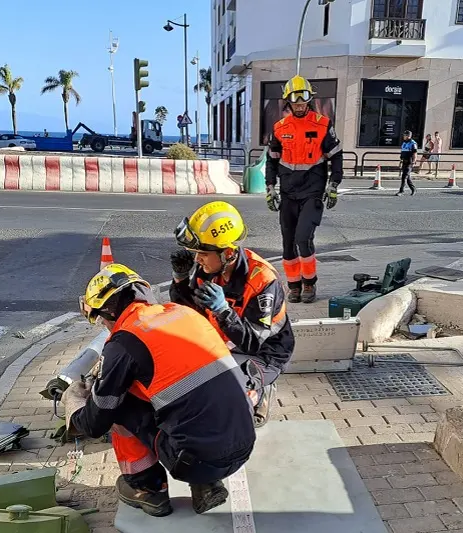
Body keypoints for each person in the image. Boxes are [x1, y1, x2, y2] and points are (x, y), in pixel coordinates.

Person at [62, 264, 256, 518]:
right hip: (244, 444)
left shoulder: (124, 341)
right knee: (180, 401)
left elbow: (96, 422)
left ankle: (146, 488)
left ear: (107, 314)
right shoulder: (182, 313)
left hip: (197, 461)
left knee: (117, 406)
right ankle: (206, 484)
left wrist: (75, 401)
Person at [170, 201, 295, 428]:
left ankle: (260, 390)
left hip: (264, 354)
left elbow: (252, 343)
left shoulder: (263, 281)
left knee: (227, 402)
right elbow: (189, 314)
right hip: (223, 345)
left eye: (203, 254)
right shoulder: (208, 268)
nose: (197, 259)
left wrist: (224, 312)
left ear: (227, 253)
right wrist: (179, 281)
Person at [265, 75, 344, 304]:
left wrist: (333, 185)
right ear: (287, 101)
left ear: (309, 99)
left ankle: (309, 283)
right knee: (288, 243)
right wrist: (270, 188)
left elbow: (336, 157)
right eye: (295, 100)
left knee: (303, 238)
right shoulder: (280, 128)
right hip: (288, 192)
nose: (299, 104)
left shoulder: (322, 124)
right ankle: (294, 286)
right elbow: (272, 160)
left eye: (304, 99)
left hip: (312, 191)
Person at [397, 130, 417, 196]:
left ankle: (401, 191)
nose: (403, 136)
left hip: (409, 162)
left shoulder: (413, 143)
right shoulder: (404, 143)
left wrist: (413, 162)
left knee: (404, 177)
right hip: (404, 161)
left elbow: (415, 153)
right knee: (407, 177)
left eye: (405, 135)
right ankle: (413, 189)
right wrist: (400, 162)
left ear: (408, 136)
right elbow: (402, 153)